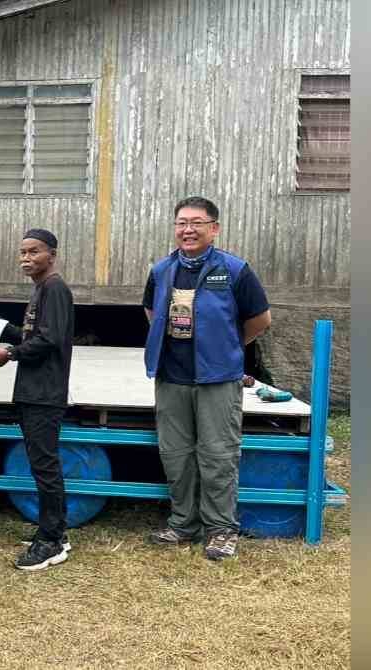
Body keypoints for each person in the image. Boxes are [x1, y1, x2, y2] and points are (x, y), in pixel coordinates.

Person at [142, 196, 272, 561]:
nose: (188, 229)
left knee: (218, 455)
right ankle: (183, 523)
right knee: (176, 454)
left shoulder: (234, 270)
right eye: (181, 222)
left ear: (213, 229)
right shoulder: (161, 271)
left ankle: (220, 529)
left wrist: (227, 347)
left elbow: (260, 320)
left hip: (218, 378)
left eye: (197, 222)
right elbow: (152, 312)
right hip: (172, 377)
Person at [0, 229, 75, 571]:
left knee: (45, 467)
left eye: (34, 252)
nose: (26, 258)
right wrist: (4, 327)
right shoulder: (41, 289)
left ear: (51, 254)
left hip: (44, 394)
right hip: (32, 391)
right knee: (43, 466)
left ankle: (52, 542)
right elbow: (33, 335)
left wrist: (9, 353)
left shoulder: (54, 288)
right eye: (22, 252)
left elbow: (48, 342)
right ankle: (54, 531)